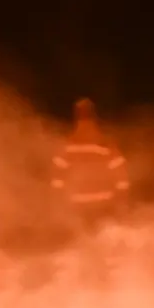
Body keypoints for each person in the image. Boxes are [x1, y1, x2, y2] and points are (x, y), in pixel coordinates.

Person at [50, 97, 130, 231]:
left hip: (78, 205)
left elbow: (58, 176)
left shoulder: (69, 143)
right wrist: (122, 199)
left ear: (76, 117)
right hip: (103, 204)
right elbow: (120, 173)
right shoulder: (104, 142)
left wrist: (58, 199)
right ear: (94, 116)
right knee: (103, 243)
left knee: (82, 244)